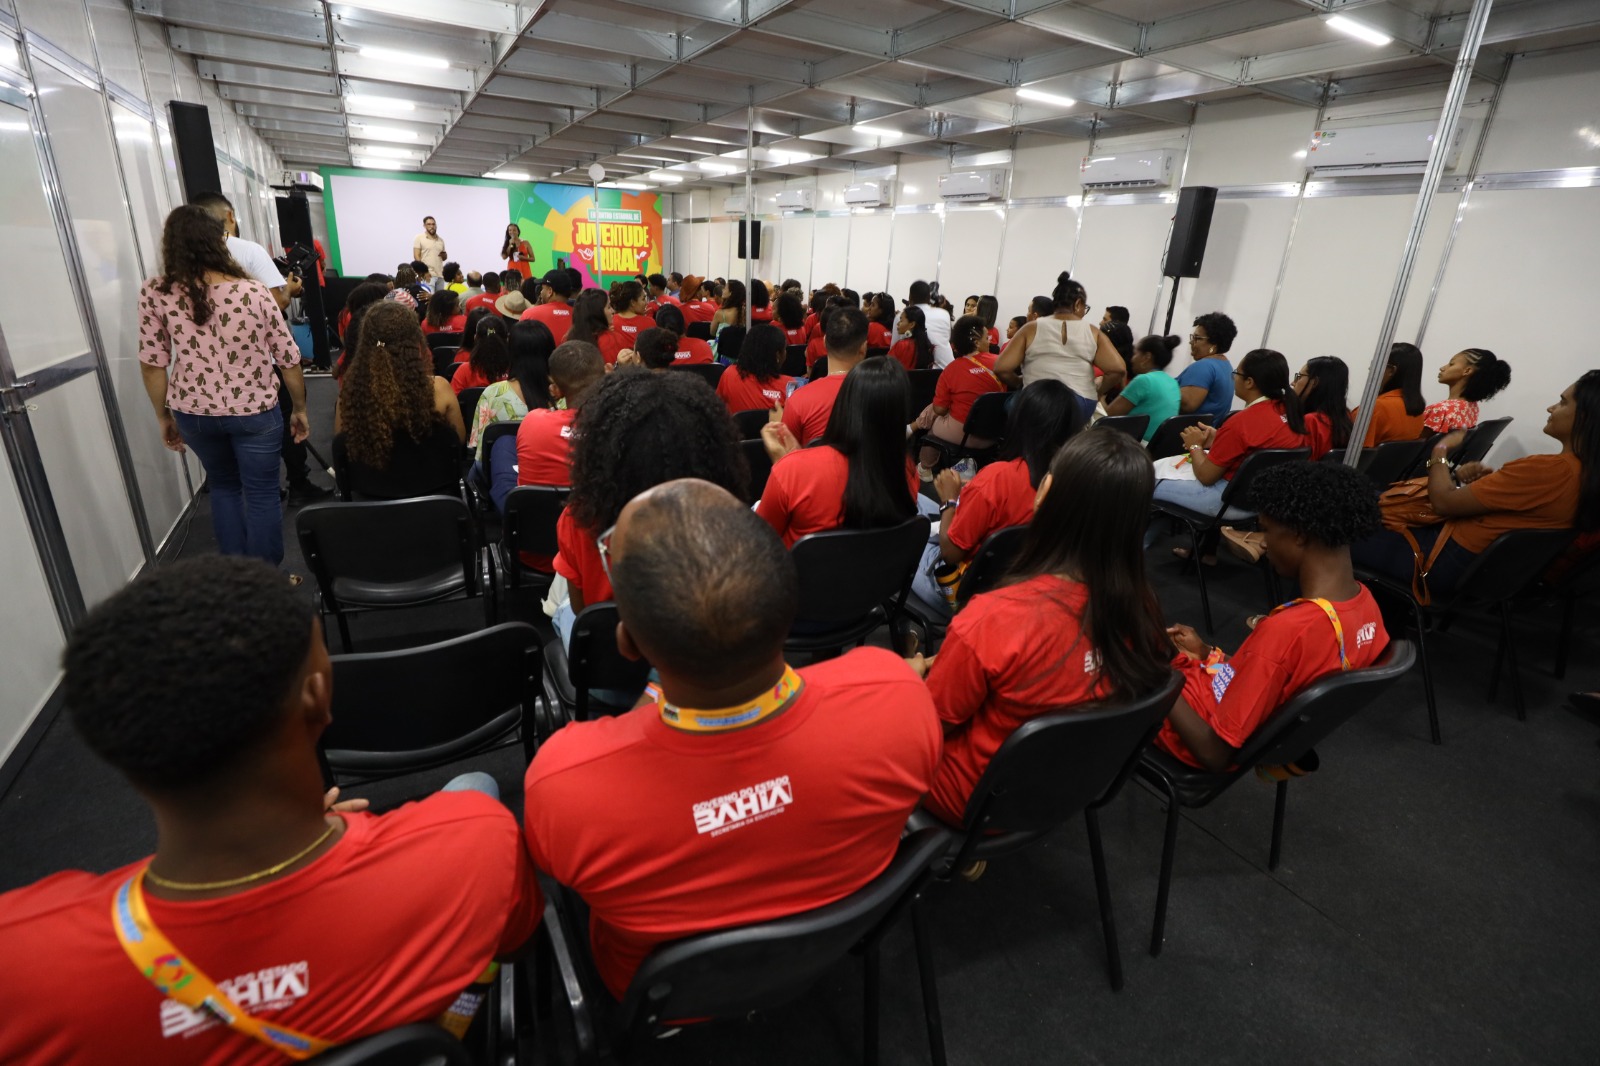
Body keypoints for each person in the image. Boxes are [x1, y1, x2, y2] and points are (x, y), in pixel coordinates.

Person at [0, 556, 540, 1064]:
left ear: (116, 751)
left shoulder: (23, 963)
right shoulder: (475, 841)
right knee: (475, 785)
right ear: (319, 699)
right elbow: (513, 947)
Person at [523, 479, 939, 1000]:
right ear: (790, 604)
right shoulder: (900, 697)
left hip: (663, 997)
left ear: (626, 642)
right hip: (826, 955)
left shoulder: (564, 784)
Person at [920, 430, 1172, 822]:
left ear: (1045, 491)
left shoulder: (994, 619)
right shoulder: (1145, 609)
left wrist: (904, 681)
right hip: (1059, 791)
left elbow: (929, 727)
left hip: (969, 798)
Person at [1158, 461, 1390, 771]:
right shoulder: (1366, 605)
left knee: (1114, 660)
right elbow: (1273, 679)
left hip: (1197, 736)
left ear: (1300, 534)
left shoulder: (1288, 630)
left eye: (1266, 530)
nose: (1264, 542)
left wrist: (1157, 674)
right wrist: (1208, 655)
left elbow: (1214, 753)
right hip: (1233, 712)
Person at [137, 205, 307, 566]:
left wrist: (162, 416)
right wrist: (300, 408)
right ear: (218, 242)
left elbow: (153, 364)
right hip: (255, 410)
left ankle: (236, 576)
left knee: (224, 487)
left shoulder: (155, 292)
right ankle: (264, 581)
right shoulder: (254, 292)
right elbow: (287, 358)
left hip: (193, 412)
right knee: (261, 493)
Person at [1351, 372, 1599, 600]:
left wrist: (1439, 451)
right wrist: (1483, 484)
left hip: (1437, 562)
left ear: (1586, 415)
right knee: (1360, 496)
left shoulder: (1550, 470)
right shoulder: (1584, 474)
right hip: (1480, 575)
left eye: (1563, 402)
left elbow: (1444, 502)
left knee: (1334, 521)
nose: (1551, 408)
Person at [552, 369, 749, 649]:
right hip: (701, 657)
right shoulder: (725, 515)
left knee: (562, 610)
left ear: (602, 447)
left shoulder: (579, 519)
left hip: (610, 664)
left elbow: (583, 611)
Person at [910, 381, 1086, 618]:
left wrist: (949, 501)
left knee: (903, 534)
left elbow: (951, 553)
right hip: (1022, 587)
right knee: (918, 501)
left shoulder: (998, 478)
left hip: (961, 592)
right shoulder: (1075, 480)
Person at [1151, 348, 1324, 559]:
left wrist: (1195, 445)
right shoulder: (1290, 415)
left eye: (1236, 373)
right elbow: (1253, 449)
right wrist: (1220, 438)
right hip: (1259, 505)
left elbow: (1206, 476)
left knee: (1141, 481)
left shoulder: (1242, 421)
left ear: (1249, 382)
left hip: (1225, 503)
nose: (1234, 378)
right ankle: (1206, 554)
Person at [757, 356, 919, 547]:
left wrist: (784, 464)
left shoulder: (792, 471)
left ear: (844, 403)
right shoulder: (908, 472)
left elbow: (759, 542)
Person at [335, 302, 465, 492]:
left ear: (366, 340)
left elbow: (342, 448)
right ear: (415, 339)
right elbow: (458, 441)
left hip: (370, 502)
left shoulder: (350, 394)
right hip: (435, 500)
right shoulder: (440, 388)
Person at [995, 272, 1125, 407]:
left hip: (1037, 402)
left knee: (1010, 404)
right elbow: (1118, 369)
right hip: (1079, 404)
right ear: (1078, 304)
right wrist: (1097, 392)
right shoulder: (1093, 332)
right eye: (1085, 307)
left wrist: (1020, 383)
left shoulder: (1030, 328)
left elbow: (1001, 368)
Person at [912, 314, 1005, 480]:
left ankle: (924, 469)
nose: (990, 342)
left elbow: (939, 410)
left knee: (934, 428)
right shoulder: (1001, 362)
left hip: (963, 437)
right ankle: (965, 465)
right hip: (995, 435)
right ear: (976, 342)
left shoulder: (951, 370)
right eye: (986, 338)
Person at [781, 307, 871, 446]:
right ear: (864, 347)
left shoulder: (798, 400)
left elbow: (786, 451)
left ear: (824, 341)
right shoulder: (882, 396)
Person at [471, 319, 554, 468]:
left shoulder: (492, 394)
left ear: (511, 351)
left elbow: (480, 456)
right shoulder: (565, 396)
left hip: (499, 476)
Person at [1105, 334, 1181, 442]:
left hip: (1135, 445)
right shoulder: (1173, 383)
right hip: (1157, 447)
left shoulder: (1144, 380)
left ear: (1147, 357)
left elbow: (1107, 417)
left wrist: (1099, 393)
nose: (1132, 359)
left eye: (1135, 353)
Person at [1352, 343, 1427, 447]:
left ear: (1391, 370)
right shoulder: (1417, 412)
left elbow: (1355, 452)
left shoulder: (1373, 409)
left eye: (1375, 364)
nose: (1370, 368)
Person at [1423, 347, 1512, 433]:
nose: (1442, 368)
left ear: (1467, 371)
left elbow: (1418, 442)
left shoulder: (1440, 410)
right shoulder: (1471, 407)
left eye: (1451, 364)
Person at [717, 323, 795, 412]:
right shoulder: (789, 386)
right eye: (785, 349)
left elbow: (717, 409)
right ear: (777, 355)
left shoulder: (729, 375)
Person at [1177, 312, 1239, 423]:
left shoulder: (1204, 366)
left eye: (1197, 338)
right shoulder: (1226, 365)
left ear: (1213, 344)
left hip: (1188, 431)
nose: (1191, 342)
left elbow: (1187, 405)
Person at [1293, 356, 1355, 453]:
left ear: (1314, 382)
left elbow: (1302, 460)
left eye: (1299, 377)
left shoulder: (1312, 421)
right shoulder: (1347, 417)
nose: (1293, 383)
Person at [450, 316, 510, 394]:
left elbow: (453, 400)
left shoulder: (463, 372)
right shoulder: (515, 371)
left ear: (475, 338)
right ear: (507, 339)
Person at [521, 269, 575, 343]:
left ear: (550, 291)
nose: (541, 292)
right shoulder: (579, 316)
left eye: (542, 288)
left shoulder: (529, 314)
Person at [908, 280, 954, 367]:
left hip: (916, 369)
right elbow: (947, 338)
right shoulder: (944, 314)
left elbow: (894, 347)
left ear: (910, 297)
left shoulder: (904, 316)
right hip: (946, 367)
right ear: (929, 297)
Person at [564, 288, 617, 362]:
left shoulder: (568, 338)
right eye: (608, 307)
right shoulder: (608, 341)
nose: (613, 311)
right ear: (597, 313)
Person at [608, 279, 656, 350]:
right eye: (643, 299)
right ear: (633, 302)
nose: (646, 303)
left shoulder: (610, 322)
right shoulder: (649, 323)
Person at [889, 304, 935, 371]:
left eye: (901, 320)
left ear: (912, 324)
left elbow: (887, 367)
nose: (898, 323)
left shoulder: (901, 345)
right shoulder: (928, 346)